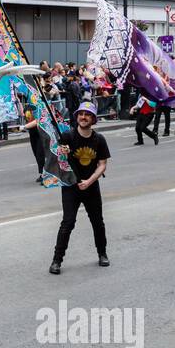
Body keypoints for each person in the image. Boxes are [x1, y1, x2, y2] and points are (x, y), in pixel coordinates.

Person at [49, 102, 110, 275]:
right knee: (67, 223)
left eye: (87, 114)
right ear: (77, 117)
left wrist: (89, 181)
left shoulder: (99, 139)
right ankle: (56, 260)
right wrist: (62, 151)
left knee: (97, 222)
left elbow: (102, 164)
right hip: (71, 187)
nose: (83, 117)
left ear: (93, 119)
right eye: (81, 114)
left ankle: (102, 253)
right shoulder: (67, 136)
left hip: (91, 186)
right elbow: (58, 160)